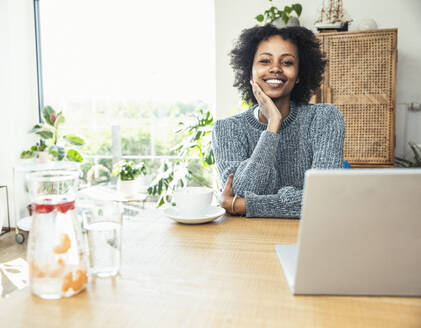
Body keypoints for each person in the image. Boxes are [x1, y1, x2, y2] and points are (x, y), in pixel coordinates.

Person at [212, 24, 345, 218]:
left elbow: (325, 199)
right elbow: (241, 191)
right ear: (249, 71)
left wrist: (244, 206)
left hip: (308, 236)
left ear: (299, 75)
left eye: (287, 63)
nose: (275, 69)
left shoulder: (324, 118)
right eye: (265, 61)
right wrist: (273, 124)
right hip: (245, 239)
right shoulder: (227, 129)